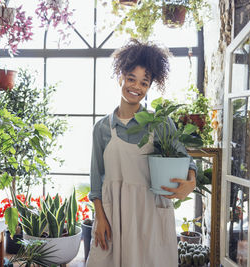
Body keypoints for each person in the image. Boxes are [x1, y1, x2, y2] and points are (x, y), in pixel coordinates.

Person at [86, 40, 197, 267]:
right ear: (120, 77)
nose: (136, 87)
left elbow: (185, 158)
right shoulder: (102, 128)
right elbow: (96, 179)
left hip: (151, 218)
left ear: (150, 86)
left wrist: (191, 183)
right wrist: (100, 219)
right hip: (113, 216)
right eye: (131, 79)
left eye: (144, 82)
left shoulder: (161, 123)